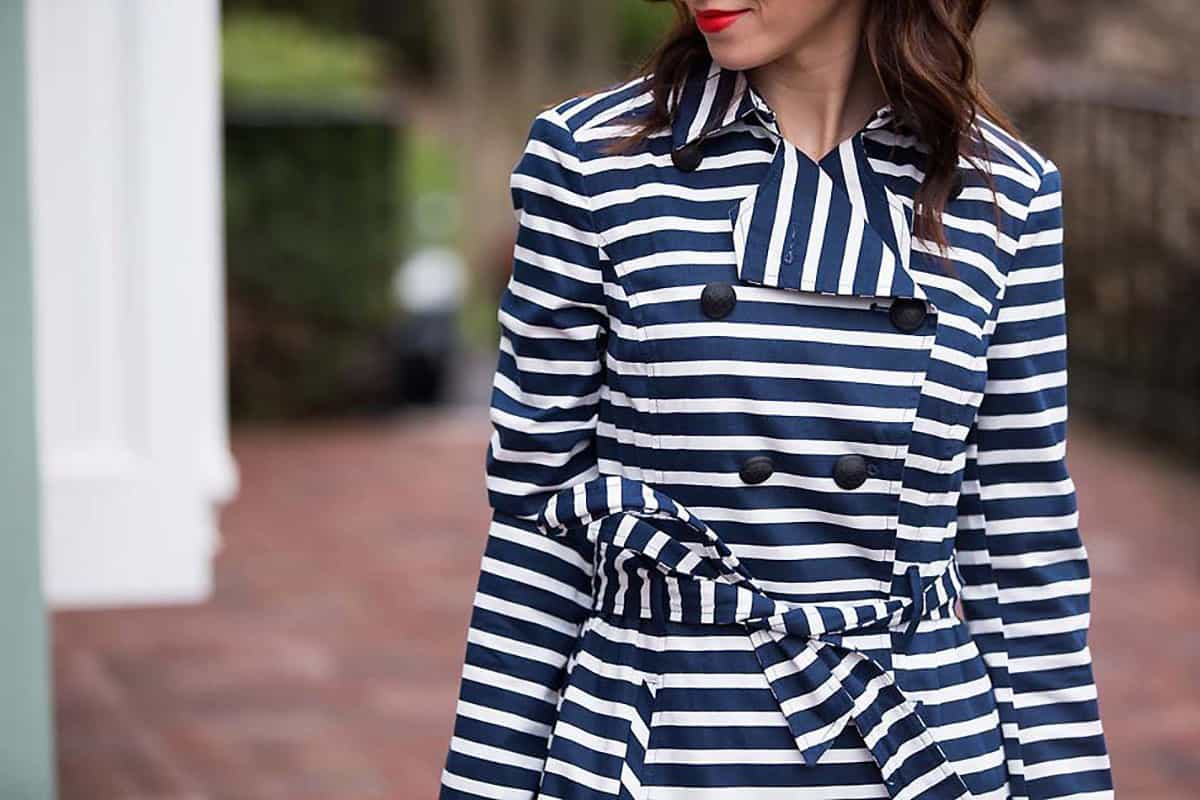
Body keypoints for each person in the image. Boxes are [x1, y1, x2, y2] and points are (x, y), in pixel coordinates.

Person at [439, 1, 1115, 798]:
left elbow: (1021, 553)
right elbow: (535, 529)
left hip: (913, 749)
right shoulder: (590, 161)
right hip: (659, 749)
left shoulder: (1003, 194)